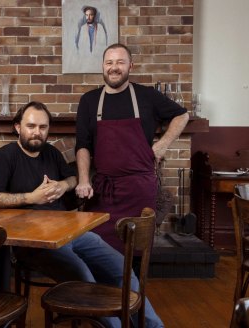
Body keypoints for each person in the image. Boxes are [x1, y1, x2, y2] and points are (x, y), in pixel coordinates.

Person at [0, 101, 164, 328]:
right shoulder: (5, 157)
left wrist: (63, 185)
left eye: (43, 127)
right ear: (18, 127)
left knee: (123, 271)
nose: (37, 132)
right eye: (31, 126)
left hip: (71, 231)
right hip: (35, 244)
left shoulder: (51, 153)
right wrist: (30, 198)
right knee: (85, 279)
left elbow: (74, 178)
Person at [75, 43, 189, 253]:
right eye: (109, 62)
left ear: (131, 66)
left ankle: (133, 286)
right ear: (102, 66)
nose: (114, 67)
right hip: (104, 192)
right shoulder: (89, 101)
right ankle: (105, 287)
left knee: (136, 248)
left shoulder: (146, 96)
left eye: (120, 62)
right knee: (96, 247)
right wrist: (83, 180)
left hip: (140, 190)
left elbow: (182, 115)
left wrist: (161, 146)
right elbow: (82, 145)